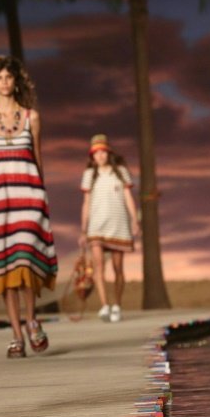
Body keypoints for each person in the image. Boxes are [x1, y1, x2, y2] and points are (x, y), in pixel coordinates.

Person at [0, 55, 58, 358]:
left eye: (9, 77)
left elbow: (37, 158)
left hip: (28, 195)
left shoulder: (32, 117)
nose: (4, 82)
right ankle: (16, 333)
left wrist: (42, 196)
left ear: (16, 82)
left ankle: (31, 321)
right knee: (5, 265)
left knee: (25, 259)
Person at [78, 134, 140, 323]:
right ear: (92, 156)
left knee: (118, 267)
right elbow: (86, 203)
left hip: (118, 224)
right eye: (96, 153)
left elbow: (128, 197)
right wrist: (83, 229)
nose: (100, 156)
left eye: (103, 152)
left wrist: (134, 219)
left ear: (108, 153)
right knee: (98, 265)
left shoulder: (120, 171)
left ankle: (117, 305)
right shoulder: (89, 175)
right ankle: (104, 305)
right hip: (97, 226)